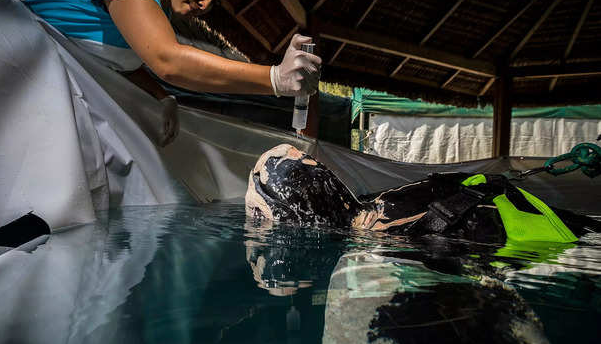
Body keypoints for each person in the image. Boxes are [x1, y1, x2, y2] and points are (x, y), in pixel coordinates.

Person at [23, 0, 321, 146]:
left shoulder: (151, 11)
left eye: (214, 1)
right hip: (14, 64)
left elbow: (116, 60)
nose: (205, 4)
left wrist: (162, 96)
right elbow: (169, 60)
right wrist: (274, 78)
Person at [245, 144, 601, 243]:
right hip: (541, 225)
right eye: (307, 163)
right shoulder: (382, 215)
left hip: (540, 229)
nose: (315, 164)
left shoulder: (378, 232)